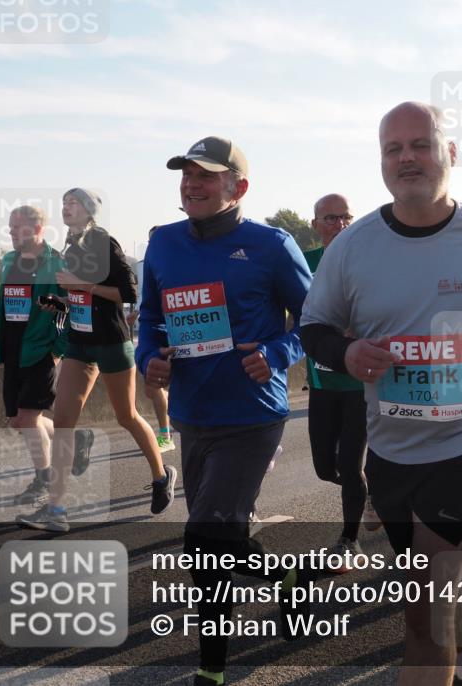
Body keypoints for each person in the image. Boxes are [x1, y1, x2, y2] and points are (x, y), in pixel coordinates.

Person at [301, 101, 462, 686]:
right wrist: (345, 353)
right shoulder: (352, 246)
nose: (407, 158)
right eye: (394, 149)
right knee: (436, 586)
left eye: (421, 145)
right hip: (390, 447)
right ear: (382, 162)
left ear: (451, 154)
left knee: (423, 605)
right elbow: (313, 327)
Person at [137, 136, 313, 685]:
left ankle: (211, 670)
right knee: (220, 535)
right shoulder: (162, 243)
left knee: (204, 542)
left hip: (253, 413)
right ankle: (289, 582)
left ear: (238, 187)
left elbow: (317, 320)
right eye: (186, 174)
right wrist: (150, 357)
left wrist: (278, 353)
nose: (192, 183)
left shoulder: (271, 244)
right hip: (193, 412)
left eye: (206, 175)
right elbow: (149, 319)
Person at [16, 189, 176, 532]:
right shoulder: (69, 247)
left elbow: (129, 293)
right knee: (62, 421)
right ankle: (56, 511)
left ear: (89, 210)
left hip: (111, 342)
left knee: (126, 415)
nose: (65, 207)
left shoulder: (104, 242)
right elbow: (76, 295)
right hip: (79, 342)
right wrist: (59, 301)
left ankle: (162, 475)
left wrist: (82, 285)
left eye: (72, 202)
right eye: (63, 203)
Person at [0, 206, 65, 505]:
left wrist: (58, 350)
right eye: (10, 227)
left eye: (17, 227)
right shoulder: (8, 260)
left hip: (41, 350)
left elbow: (74, 306)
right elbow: (4, 302)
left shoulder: (57, 263)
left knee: (28, 418)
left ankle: (43, 481)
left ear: (37, 229)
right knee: (17, 420)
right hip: (12, 350)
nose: (11, 232)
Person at [304, 193, 373, 570]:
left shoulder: (368, 261)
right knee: (323, 468)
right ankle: (370, 490)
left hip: (359, 385)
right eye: (330, 218)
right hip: (321, 381)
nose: (340, 225)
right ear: (315, 224)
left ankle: (349, 539)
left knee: (349, 464)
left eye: (346, 217)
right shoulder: (305, 262)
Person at [127, 226, 175, 452]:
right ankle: (167, 433)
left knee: (157, 388)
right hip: (153, 328)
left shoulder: (176, 260)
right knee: (152, 389)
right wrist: (136, 312)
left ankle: (166, 436)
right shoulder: (143, 264)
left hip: (175, 327)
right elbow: (145, 295)